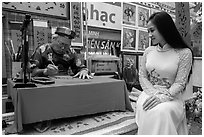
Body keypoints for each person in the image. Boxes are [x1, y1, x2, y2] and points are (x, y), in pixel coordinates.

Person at [135, 12, 193, 135]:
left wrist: (162, 97)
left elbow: (180, 82)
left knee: (162, 112)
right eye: (148, 31)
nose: (149, 35)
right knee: (146, 107)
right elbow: (143, 76)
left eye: (152, 30)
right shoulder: (148, 51)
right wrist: (154, 94)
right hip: (149, 93)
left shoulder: (184, 53)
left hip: (172, 97)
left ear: (164, 28)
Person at [30, 26, 92, 132]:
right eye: (61, 44)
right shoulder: (42, 50)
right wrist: (44, 71)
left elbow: (80, 67)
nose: (64, 48)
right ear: (54, 39)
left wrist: (83, 70)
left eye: (67, 45)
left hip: (64, 85)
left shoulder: (71, 52)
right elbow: (32, 71)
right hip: (46, 87)